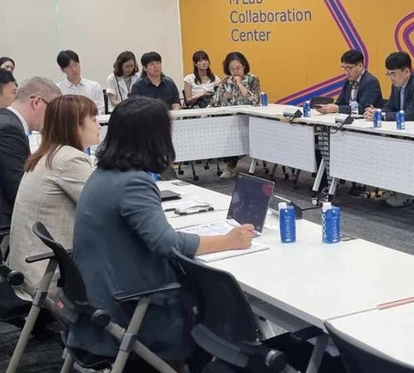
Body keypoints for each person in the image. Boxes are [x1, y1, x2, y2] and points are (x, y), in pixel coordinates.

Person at [68, 97, 255, 370]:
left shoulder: (104, 174)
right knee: (215, 303)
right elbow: (167, 243)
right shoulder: (133, 182)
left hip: (98, 299)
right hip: (129, 307)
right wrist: (228, 241)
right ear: (153, 137)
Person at [7, 95, 98, 294]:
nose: (98, 125)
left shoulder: (48, 153)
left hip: (27, 271)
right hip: (48, 277)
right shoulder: (70, 160)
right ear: (75, 126)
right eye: (93, 119)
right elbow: (102, 208)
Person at [0, 77, 61, 234]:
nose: (54, 118)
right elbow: (18, 189)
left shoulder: (8, 120)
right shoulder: (10, 129)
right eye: (53, 111)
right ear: (37, 102)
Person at [210, 52, 260, 179]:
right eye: (232, 69)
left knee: (233, 132)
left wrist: (239, 84)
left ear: (244, 66)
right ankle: (229, 164)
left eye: (238, 68)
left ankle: (230, 166)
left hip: (246, 119)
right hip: (228, 119)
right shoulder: (225, 82)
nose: (235, 72)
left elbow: (254, 101)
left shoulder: (252, 79)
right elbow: (215, 101)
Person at [364, 51, 414, 122]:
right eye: (388, 74)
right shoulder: (396, 85)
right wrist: (376, 112)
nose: (391, 78)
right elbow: (389, 107)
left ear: (406, 72)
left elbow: (410, 115)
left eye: (393, 74)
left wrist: (382, 116)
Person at [315, 49, 383, 115]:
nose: (346, 72)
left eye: (349, 68)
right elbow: (340, 102)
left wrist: (337, 109)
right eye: (344, 68)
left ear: (360, 66)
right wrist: (327, 108)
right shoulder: (348, 81)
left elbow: (363, 108)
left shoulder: (371, 82)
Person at [56, 50, 105, 114]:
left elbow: (100, 110)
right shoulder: (57, 89)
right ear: (62, 69)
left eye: (76, 65)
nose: (74, 69)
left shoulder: (94, 86)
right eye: (69, 67)